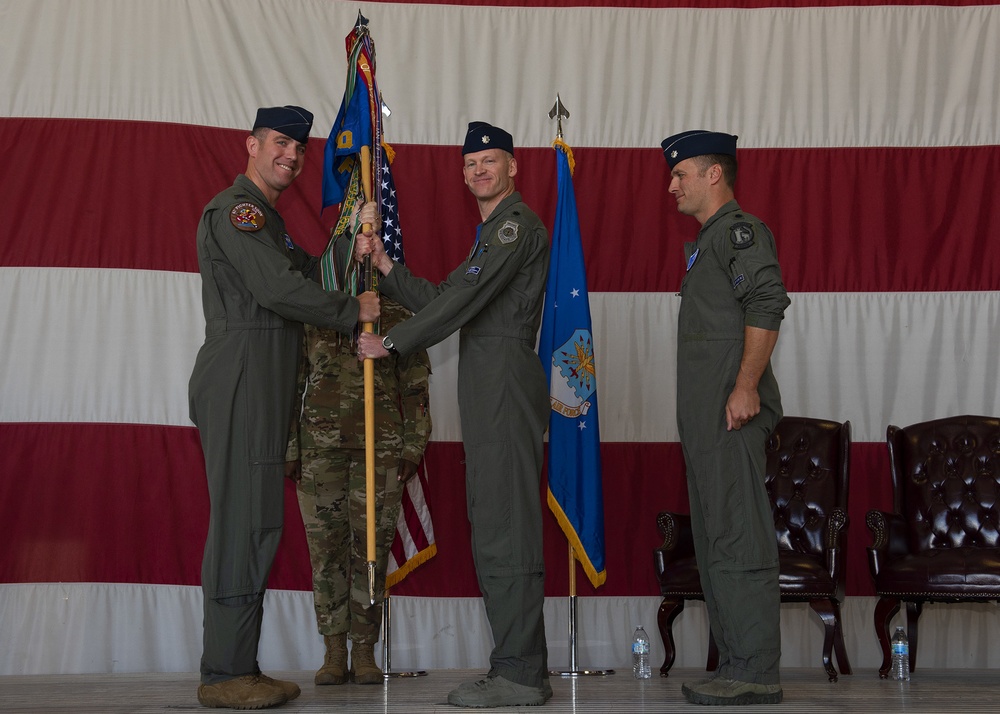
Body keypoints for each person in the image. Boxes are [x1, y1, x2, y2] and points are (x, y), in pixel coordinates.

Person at [188, 105, 380, 710]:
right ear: (250, 143)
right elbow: (276, 289)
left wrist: (354, 234)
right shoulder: (238, 212)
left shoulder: (268, 220)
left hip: (265, 380)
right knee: (243, 524)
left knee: (259, 524)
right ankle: (223, 672)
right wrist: (354, 313)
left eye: (299, 148)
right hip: (243, 377)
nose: (290, 156)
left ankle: (239, 662)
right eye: (278, 143)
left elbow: (312, 272)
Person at [355, 122, 552, 708]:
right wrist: (388, 267)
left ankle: (519, 673)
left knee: (507, 526)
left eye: (490, 161)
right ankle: (516, 665)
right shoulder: (490, 233)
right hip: (487, 384)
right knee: (493, 523)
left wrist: (391, 343)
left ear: (513, 167)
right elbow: (449, 294)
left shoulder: (514, 227)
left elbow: (459, 302)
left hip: (505, 383)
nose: (479, 171)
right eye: (470, 164)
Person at [661, 130, 790, 706]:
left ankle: (756, 671)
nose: (673, 185)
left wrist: (745, 388)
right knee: (718, 541)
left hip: (732, 416)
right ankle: (737, 663)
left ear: (715, 174)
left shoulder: (741, 232)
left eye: (681, 173)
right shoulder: (708, 240)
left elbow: (767, 301)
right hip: (708, 423)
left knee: (740, 537)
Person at [286, 278, 432, 686]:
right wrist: (290, 447)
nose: (358, 259)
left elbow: (417, 387)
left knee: (371, 551)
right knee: (326, 553)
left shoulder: (399, 316)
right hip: (319, 450)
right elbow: (291, 383)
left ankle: (364, 650)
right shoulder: (315, 314)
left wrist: (412, 447)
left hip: (379, 449)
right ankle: (334, 651)